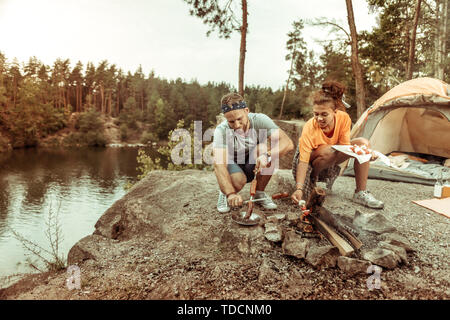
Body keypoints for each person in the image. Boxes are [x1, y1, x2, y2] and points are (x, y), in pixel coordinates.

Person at [291, 81, 384, 209]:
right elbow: (303, 161)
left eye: (324, 114)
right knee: (329, 150)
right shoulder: (309, 127)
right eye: (316, 114)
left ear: (335, 111)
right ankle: (313, 180)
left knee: (363, 143)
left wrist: (366, 153)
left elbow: (345, 147)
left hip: (333, 154)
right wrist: (299, 188)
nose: (319, 119)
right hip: (310, 162)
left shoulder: (344, 118)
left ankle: (360, 192)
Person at [213, 93, 294, 213]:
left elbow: (287, 143)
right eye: (231, 121)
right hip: (233, 165)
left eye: (239, 119)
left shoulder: (260, 120)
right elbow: (219, 164)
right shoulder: (221, 130)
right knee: (238, 181)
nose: (236, 125)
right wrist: (230, 193)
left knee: (264, 149)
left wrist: (267, 155)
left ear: (246, 111)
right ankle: (224, 192)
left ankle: (259, 192)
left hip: (253, 162)